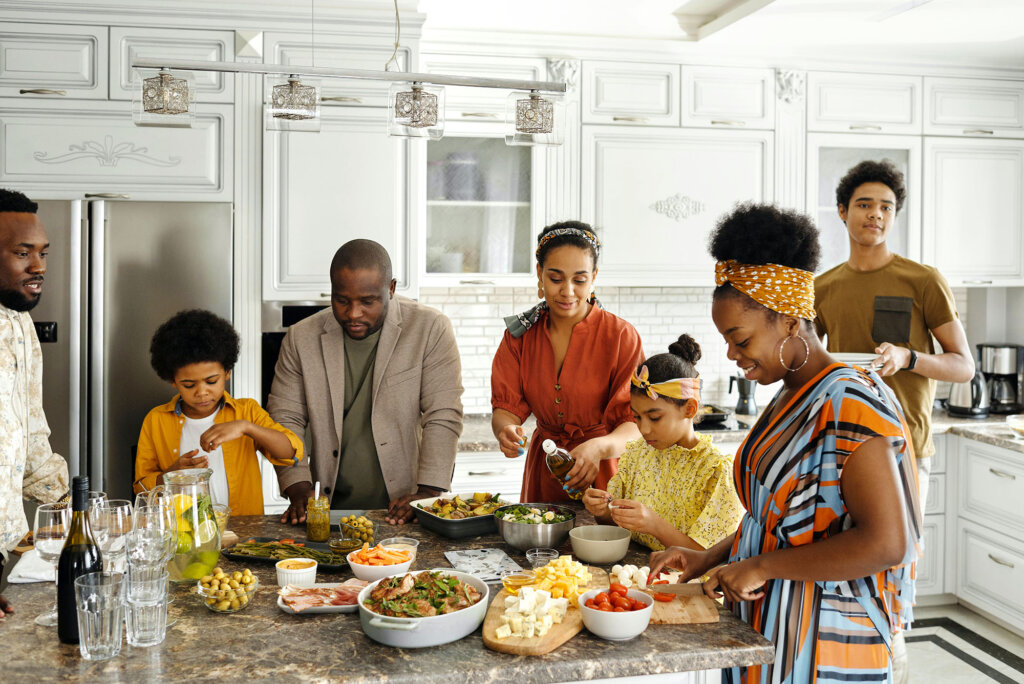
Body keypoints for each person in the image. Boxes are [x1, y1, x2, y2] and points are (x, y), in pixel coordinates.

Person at [650, 203, 923, 684]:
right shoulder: (790, 396)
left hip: (826, 641)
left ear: (791, 322)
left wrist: (761, 567)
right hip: (772, 626)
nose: (732, 356)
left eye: (739, 338)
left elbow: (887, 542)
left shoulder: (849, 402)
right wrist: (708, 557)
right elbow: (783, 521)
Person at [814, 159, 974, 512]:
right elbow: (807, 361)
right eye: (864, 204)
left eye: (886, 207)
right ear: (842, 211)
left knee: (899, 561)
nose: (876, 214)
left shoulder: (923, 280)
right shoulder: (822, 287)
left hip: (903, 444)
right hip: (842, 443)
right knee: (840, 562)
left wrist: (908, 357)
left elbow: (964, 367)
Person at [269, 239, 463, 525]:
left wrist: (429, 493)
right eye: (342, 300)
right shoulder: (301, 338)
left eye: (368, 301)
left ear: (392, 289)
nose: (353, 314)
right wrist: (297, 485)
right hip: (329, 510)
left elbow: (443, 415)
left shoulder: (430, 328)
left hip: (404, 509)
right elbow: (285, 418)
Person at [491, 221, 643, 503]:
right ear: (540, 274)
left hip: (606, 474)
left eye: (580, 280)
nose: (568, 291)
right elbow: (505, 409)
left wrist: (598, 448)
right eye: (556, 278)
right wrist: (506, 431)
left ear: (594, 277)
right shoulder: (519, 338)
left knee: (603, 545)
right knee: (540, 546)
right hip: (544, 471)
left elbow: (635, 425)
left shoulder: (621, 336)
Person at [134, 309, 303, 516]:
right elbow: (141, 488)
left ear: (227, 372)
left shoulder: (246, 411)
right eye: (188, 385)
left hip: (243, 533)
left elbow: (291, 453)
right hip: (182, 533)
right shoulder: (156, 420)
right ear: (173, 381)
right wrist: (171, 476)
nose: (202, 392)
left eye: (211, 381)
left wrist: (246, 427)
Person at [582, 334, 742, 551]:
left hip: (685, 582)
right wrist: (603, 512)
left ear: (689, 409)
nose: (643, 429)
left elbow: (708, 557)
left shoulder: (716, 472)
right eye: (637, 417)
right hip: (636, 576)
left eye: (655, 417)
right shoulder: (637, 454)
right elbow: (616, 524)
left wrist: (654, 525)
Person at [0, 188, 69, 619]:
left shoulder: (21, 325)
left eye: (43, 252)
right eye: (22, 253)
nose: (38, 266)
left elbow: (29, 432)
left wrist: (74, 510)